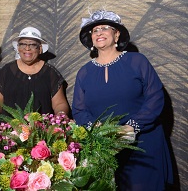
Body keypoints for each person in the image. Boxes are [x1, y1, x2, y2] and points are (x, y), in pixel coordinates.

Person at [72, 10, 173, 190]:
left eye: (105, 28)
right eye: (95, 30)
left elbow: (155, 97)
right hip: (104, 150)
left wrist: (131, 126)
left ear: (116, 34)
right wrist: (96, 128)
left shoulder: (137, 61)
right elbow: (79, 110)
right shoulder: (84, 72)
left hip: (143, 144)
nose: (99, 33)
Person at [0, 26, 69, 116]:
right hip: (11, 128)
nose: (27, 48)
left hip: (42, 129)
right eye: (23, 44)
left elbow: (59, 103)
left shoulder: (50, 73)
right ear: (18, 48)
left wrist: (61, 115)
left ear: (40, 48)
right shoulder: (5, 72)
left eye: (33, 45)